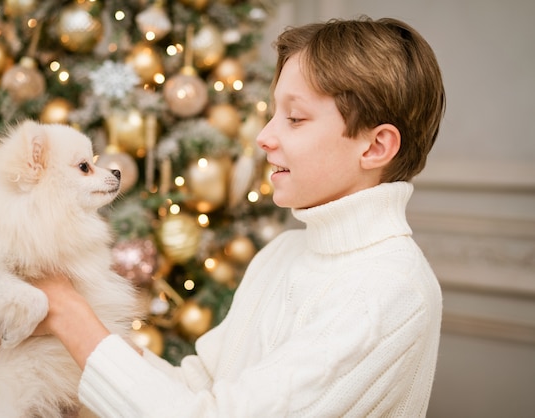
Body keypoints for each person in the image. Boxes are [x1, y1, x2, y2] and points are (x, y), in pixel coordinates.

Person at [34, 16, 446, 417]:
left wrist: (70, 315)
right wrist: (81, 335)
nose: (264, 137)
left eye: (295, 118)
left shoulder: (390, 291)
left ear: (375, 147)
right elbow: (199, 388)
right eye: (273, 113)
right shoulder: (284, 252)